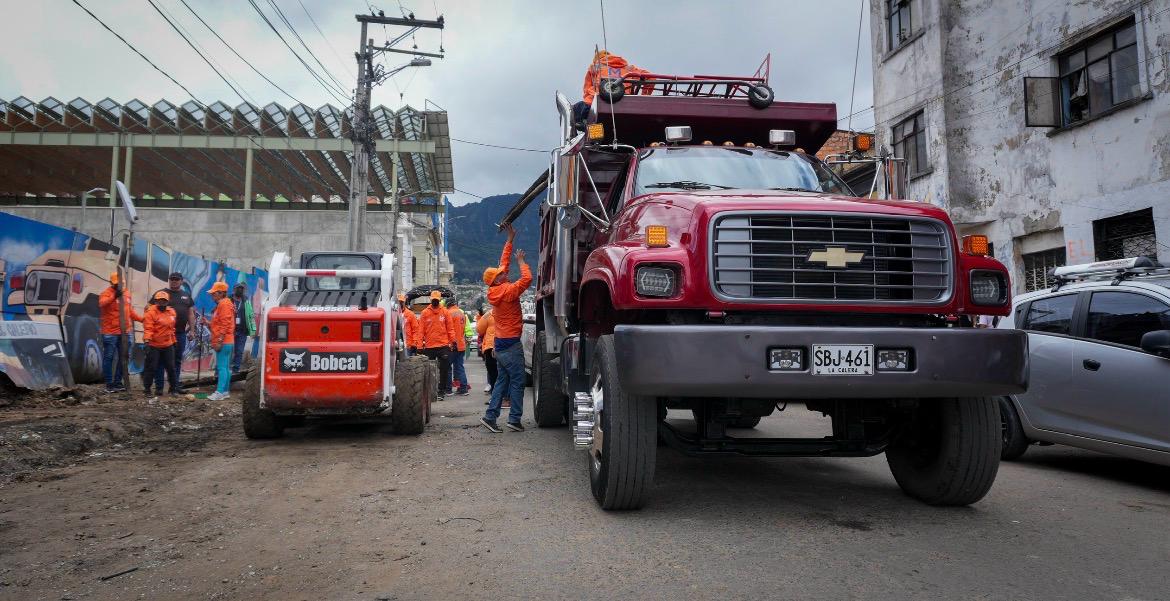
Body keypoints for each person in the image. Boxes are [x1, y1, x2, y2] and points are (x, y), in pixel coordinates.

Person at [480, 225, 532, 433]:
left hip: (500, 343)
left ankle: (490, 417)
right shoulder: (508, 291)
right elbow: (526, 280)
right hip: (510, 343)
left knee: (502, 381)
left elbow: (503, 263)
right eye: (500, 274)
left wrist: (510, 240)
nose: (504, 273)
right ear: (497, 279)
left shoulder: (497, 290)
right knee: (518, 381)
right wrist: (522, 262)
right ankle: (514, 419)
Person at [98, 271, 143, 393]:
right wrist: (114, 296)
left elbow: (129, 311)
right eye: (116, 284)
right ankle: (109, 384)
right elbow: (102, 304)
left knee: (124, 357)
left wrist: (141, 319)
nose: (118, 286)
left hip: (125, 331)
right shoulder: (106, 293)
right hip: (110, 332)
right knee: (109, 357)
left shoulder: (127, 293)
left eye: (120, 284)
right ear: (111, 283)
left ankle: (118, 382)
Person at [154, 272, 196, 393]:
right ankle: (159, 388)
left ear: (181, 281)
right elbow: (149, 309)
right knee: (161, 361)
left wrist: (192, 331)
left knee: (176, 361)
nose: (174, 281)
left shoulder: (186, 296)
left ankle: (174, 387)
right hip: (163, 335)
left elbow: (191, 314)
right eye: (172, 279)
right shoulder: (161, 294)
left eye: (176, 279)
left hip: (180, 334)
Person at [418, 290, 457, 399]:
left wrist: (453, 342)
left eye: (436, 299)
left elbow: (450, 329)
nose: (435, 301)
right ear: (430, 299)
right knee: (427, 370)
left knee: (444, 369)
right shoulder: (425, 313)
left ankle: (441, 391)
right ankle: (429, 391)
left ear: (439, 300)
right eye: (433, 299)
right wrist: (419, 346)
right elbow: (421, 331)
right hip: (430, 346)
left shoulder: (445, 312)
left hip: (443, 346)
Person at [141, 291, 178, 397]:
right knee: (152, 367)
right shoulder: (150, 312)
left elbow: (171, 329)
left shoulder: (172, 312)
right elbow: (148, 328)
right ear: (156, 301)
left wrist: (174, 341)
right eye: (159, 300)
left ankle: (173, 389)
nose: (161, 302)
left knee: (171, 367)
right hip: (154, 345)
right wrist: (147, 341)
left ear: (167, 301)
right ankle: (147, 389)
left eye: (164, 300)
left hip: (168, 344)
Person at [206, 281, 236, 401]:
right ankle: (225, 392)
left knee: (222, 368)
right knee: (226, 367)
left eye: (214, 293)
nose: (212, 295)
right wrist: (208, 323)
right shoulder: (225, 304)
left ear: (221, 293)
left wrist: (219, 340)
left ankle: (219, 392)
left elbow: (225, 324)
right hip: (227, 341)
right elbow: (220, 324)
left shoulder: (224, 304)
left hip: (223, 341)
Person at [230, 283, 256, 374]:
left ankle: (235, 369)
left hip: (242, 331)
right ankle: (225, 370)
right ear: (234, 290)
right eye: (238, 288)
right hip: (230, 331)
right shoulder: (228, 300)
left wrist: (253, 330)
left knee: (239, 351)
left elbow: (251, 316)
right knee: (229, 351)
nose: (240, 290)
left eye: (242, 288)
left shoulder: (246, 301)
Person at [446, 297, 470, 396]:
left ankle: (448, 389)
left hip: (452, 345)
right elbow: (463, 329)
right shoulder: (462, 313)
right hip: (461, 344)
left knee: (447, 367)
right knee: (460, 367)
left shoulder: (448, 313)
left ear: (448, 304)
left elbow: (447, 330)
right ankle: (463, 388)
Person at [476, 308, 497, 396]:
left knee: (492, 372)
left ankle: (494, 394)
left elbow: (479, 329)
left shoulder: (489, 314)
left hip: (490, 346)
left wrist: (479, 317)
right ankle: (505, 395)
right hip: (506, 344)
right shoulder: (510, 311)